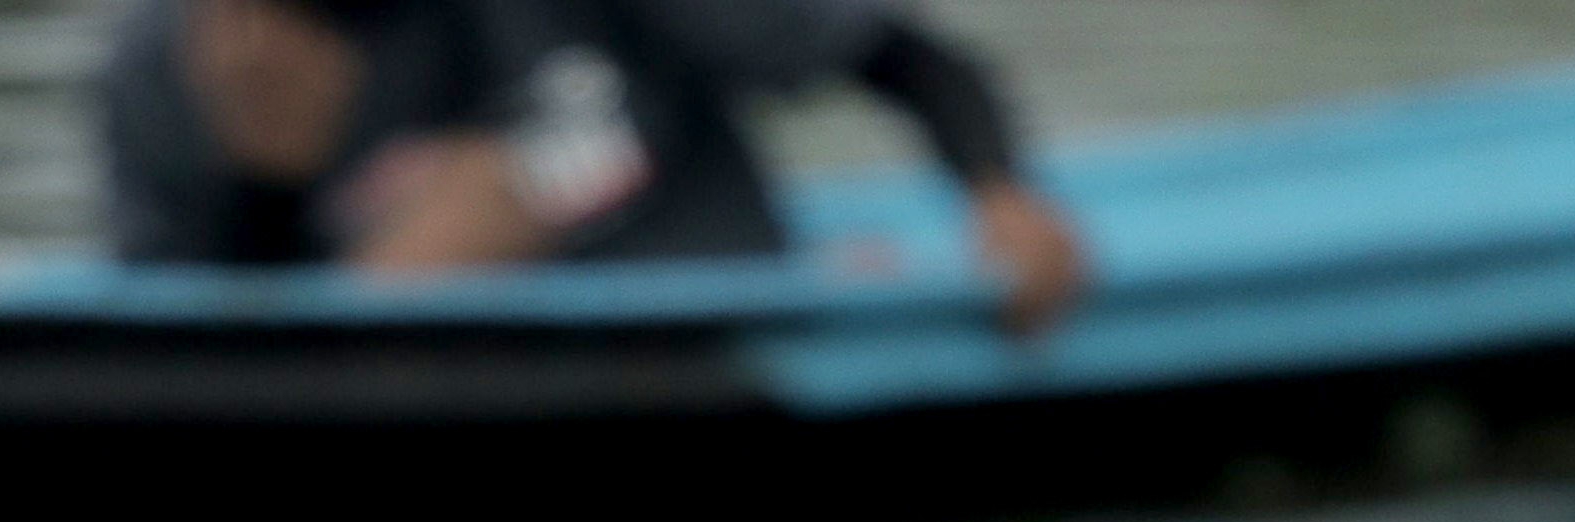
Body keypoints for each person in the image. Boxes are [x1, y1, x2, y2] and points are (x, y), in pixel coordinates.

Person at [100, 0, 1090, 329]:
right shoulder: (166, 68)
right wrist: (266, 179)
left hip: (705, 339)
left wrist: (999, 195)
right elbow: (195, 340)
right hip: (383, 395)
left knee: (492, 197)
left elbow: (899, 57)